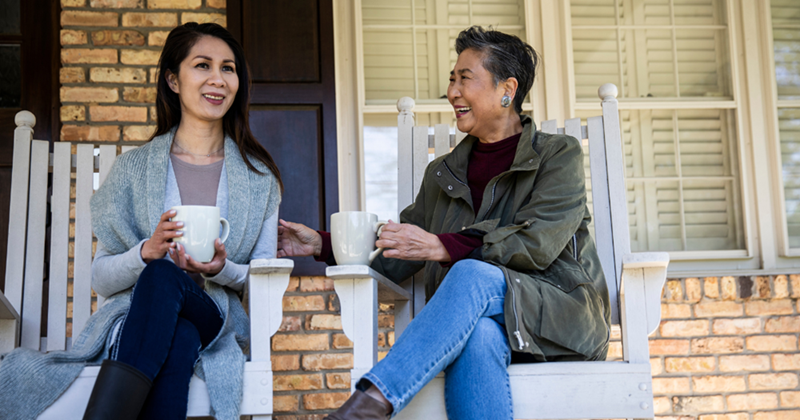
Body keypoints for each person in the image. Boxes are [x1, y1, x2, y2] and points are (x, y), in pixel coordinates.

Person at [278, 26, 610, 420]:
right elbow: (398, 250)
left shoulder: (557, 155)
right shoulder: (443, 173)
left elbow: (538, 242)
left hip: (558, 317)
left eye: (465, 78)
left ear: (507, 89)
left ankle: (369, 405)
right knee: (478, 335)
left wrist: (442, 246)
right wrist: (322, 244)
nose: (452, 92)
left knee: (470, 272)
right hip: (487, 326)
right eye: (452, 80)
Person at [0, 23, 282, 420]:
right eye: (202, 65)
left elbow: (265, 275)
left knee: (164, 278)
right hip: (144, 320)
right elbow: (102, 278)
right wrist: (144, 253)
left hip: (215, 320)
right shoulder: (133, 170)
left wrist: (222, 269)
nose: (218, 79)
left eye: (228, 68)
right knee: (176, 324)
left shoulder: (259, 178)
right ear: (173, 80)